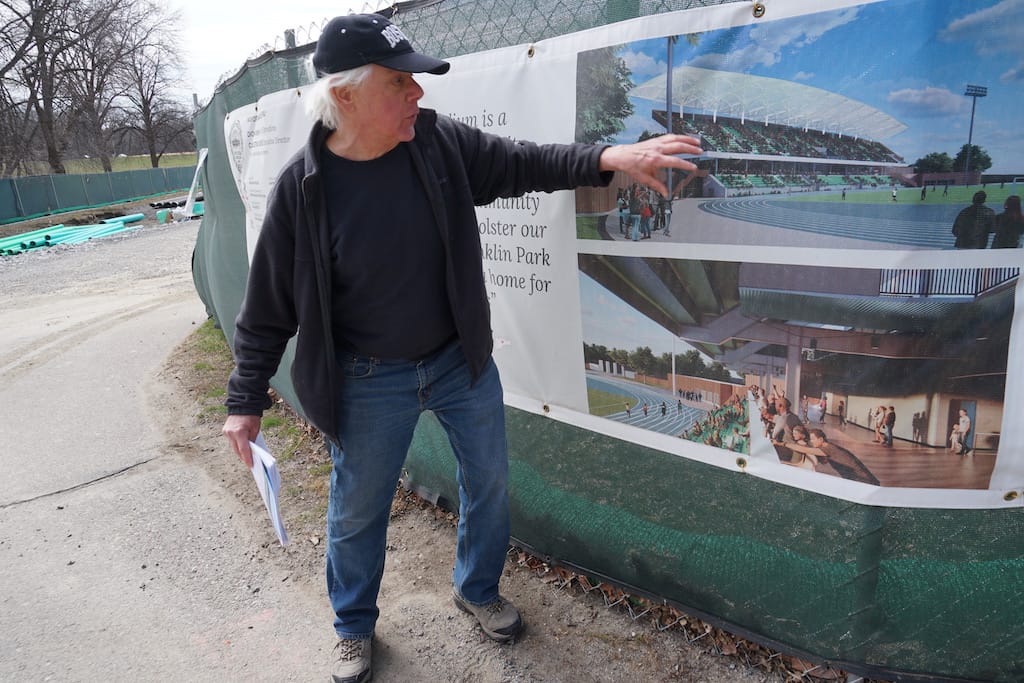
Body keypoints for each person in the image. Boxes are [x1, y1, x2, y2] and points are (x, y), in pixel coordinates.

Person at [219, 14, 704, 683]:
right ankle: (353, 626)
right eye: (399, 82)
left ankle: (477, 588)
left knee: (490, 481)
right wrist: (244, 401)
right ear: (347, 96)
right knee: (357, 510)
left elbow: (522, 161)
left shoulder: (436, 143)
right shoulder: (302, 191)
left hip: (457, 361)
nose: (417, 93)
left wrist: (607, 158)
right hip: (367, 379)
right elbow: (266, 309)